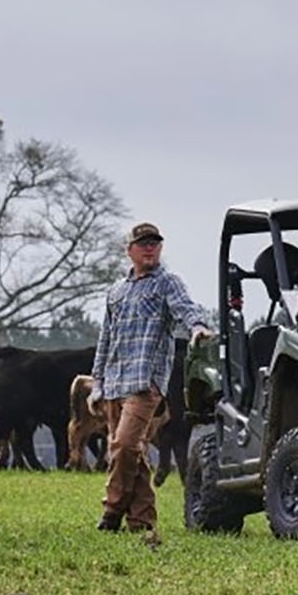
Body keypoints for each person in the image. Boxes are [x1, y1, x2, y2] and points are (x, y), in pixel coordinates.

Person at [90, 221, 214, 547]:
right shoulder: (116, 291)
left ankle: (112, 510)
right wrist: (97, 383)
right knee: (134, 454)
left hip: (145, 383)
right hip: (115, 381)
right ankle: (142, 521)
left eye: (155, 243)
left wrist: (197, 327)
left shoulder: (167, 283)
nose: (150, 248)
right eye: (143, 243)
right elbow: (106, 338)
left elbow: (186, 308)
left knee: (125, 446)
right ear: (129, 250)